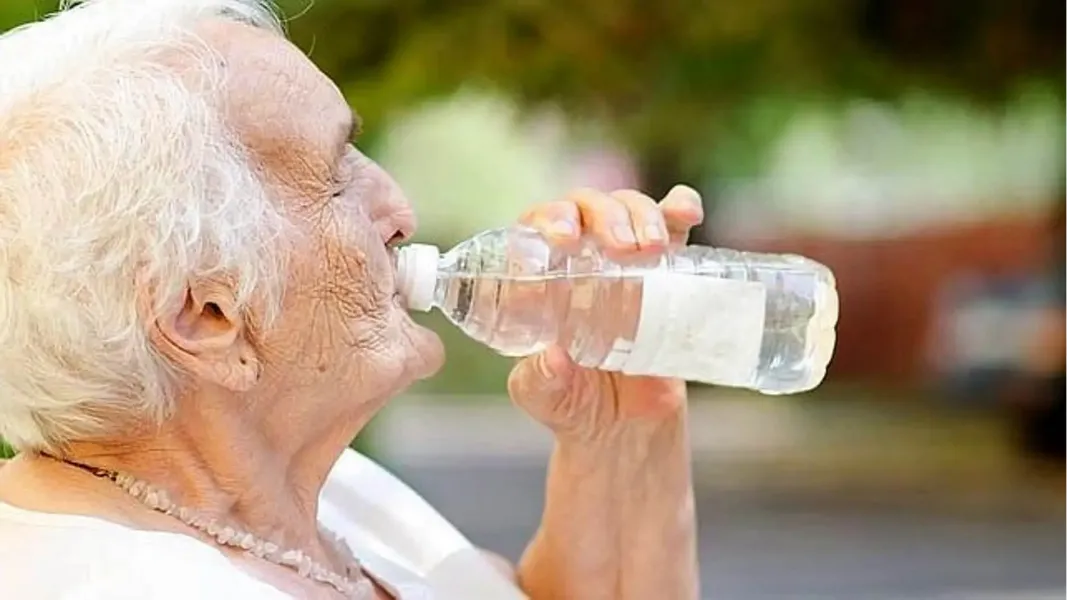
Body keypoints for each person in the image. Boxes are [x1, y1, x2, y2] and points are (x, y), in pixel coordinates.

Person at [0, 1, 702, 598]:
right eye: (336, 177)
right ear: (206, 316)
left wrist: (621, 433)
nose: (399, 209)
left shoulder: (308, 495)